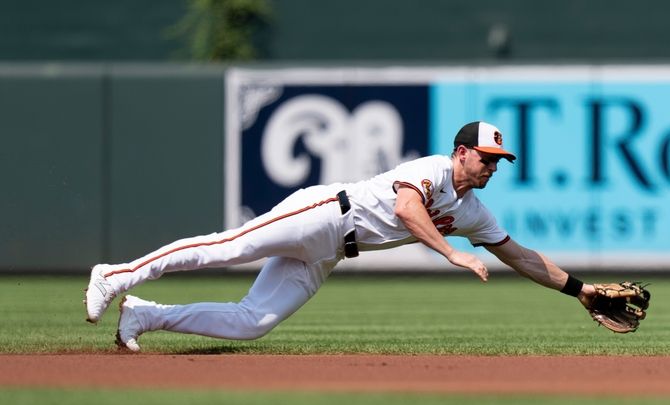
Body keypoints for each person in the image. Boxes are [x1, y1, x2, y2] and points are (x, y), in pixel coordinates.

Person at [85, 121, 600, 351]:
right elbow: (406, 207)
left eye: (499, 162)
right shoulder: (435, 169)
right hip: (325, 213)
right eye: (487, 157)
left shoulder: (474, 212)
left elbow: (520, 255)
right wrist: (451, 255)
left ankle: (144, 315)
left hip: (329, 253)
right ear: (462, 152)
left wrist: (580, 290)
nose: (492, 167)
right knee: (230, 246)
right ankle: (115, 274)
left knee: (252, 322)